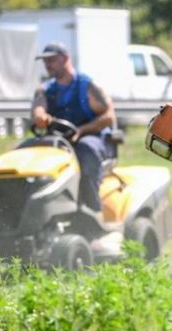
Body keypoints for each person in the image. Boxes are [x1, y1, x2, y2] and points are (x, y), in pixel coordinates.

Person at [31, 42, 116, 211]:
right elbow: (38, 108)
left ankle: (91, 208)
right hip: (58, 140)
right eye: (45, 61)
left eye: (52, 60)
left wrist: (82, 130)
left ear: (66, 58)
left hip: (91, 138)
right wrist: (40, 117)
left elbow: (108, 117)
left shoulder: (88, 86)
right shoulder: (45, 89)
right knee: (25, 151)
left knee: (86, 149)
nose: (47, 65)